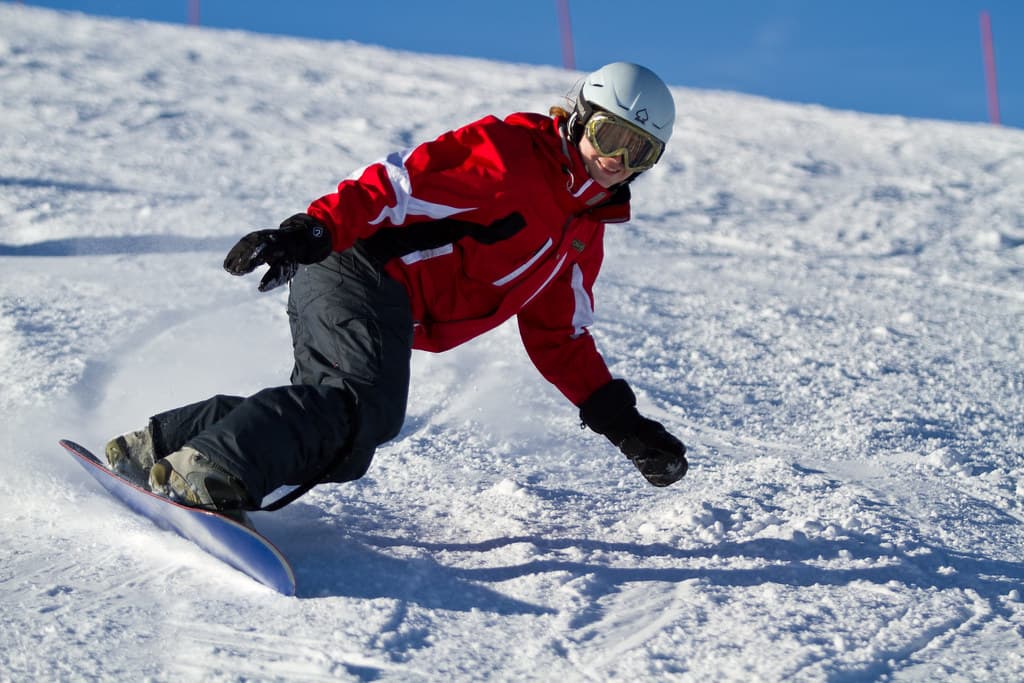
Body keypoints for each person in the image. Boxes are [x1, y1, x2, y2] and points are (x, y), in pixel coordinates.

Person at [105, 62, 689, 515]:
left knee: (348, 440)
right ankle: (209, 467)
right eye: (611, 134)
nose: (616, 159)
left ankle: (159, 446)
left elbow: (559, 336)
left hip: (385, 303)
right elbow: (397, 184)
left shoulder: (583, 232)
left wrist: (624, 425)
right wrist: (312, 229)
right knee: (363, 410)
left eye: (639, 151)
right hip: (358, 266)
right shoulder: (512, 155)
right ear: (581, 116)